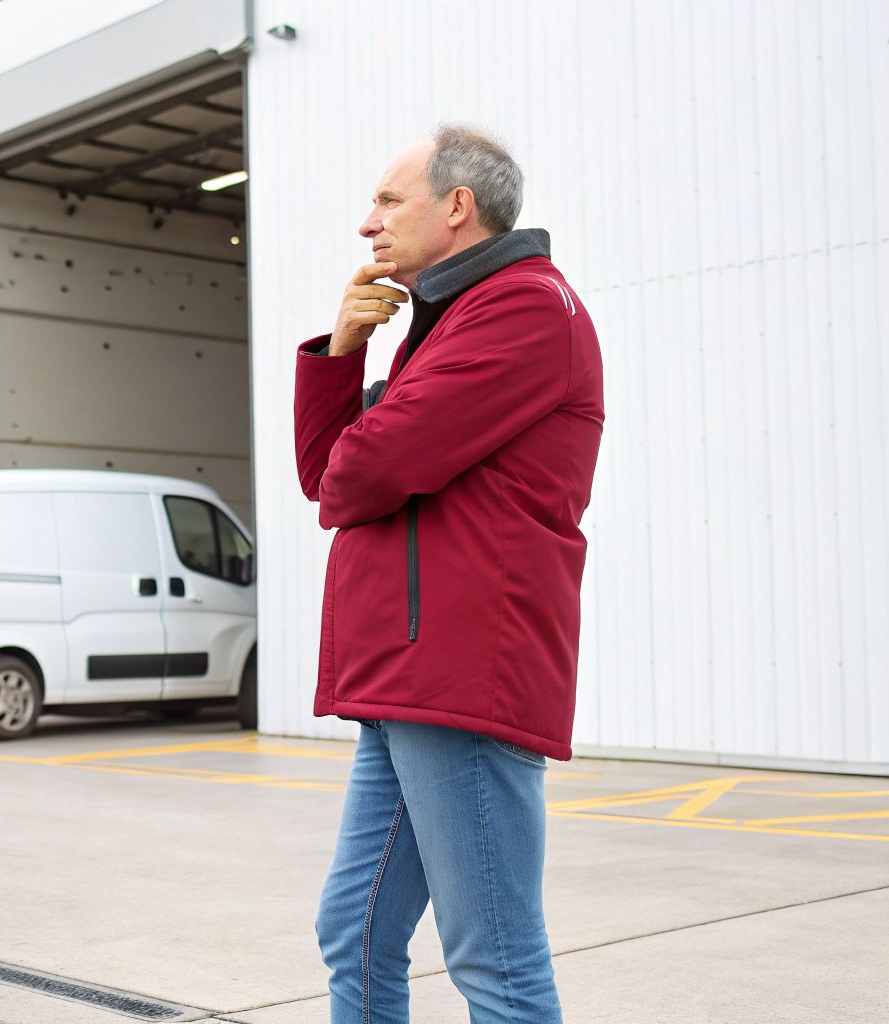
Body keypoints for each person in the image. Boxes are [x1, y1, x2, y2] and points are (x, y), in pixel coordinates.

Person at [293, 123, 605, 1022]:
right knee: (351, 932)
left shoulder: (525, 309)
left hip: (462, 672)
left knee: (495, 961)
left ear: (458, 207)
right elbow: (329, 476)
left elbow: (361, 474)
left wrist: (363, 442)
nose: (368, 224)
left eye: (389, 200)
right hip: (407, 675)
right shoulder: (445, 324)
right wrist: (342, 354)